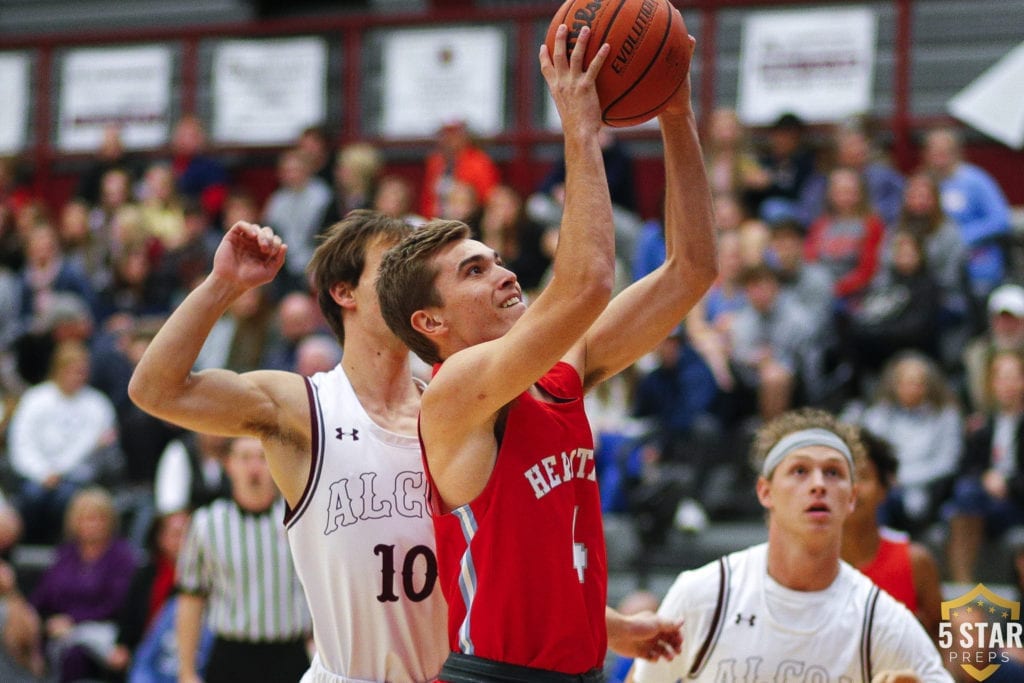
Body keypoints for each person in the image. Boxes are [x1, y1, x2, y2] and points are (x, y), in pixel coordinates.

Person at [376, 22, 712, 680]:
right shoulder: (452, 394)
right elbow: (586, 283)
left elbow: (691, 269)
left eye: (496, 259)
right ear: (430, 320)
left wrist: (676, 111)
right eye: (473, 271)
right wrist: (579, 129)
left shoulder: (559, 374)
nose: (502, 273)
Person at [129, 210, 450, 682]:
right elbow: (155, 390)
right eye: (393, 266)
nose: (411, 281)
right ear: (344, 292)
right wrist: (224, 284)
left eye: (415, 268)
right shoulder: (304, 407)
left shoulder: (448, 409)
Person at [628, 408, 952, 682]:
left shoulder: (879, 618)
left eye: (833, 472)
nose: (818, 485)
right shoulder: (705, 594)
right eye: (799, 470)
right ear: (765, 491)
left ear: (851, 497)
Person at [172, 436, 310, 683]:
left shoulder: (302, 521)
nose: (254, 468)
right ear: (229, 464)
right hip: (231, 655)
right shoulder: (207, 523)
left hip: (290, 653)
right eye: (245, 458)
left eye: (262, 458)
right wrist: (186, 670)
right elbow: (191, 599)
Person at [841, 427, 942, 639]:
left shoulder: (915, 562)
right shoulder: (805, 564)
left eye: (863, 476)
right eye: (840, 476)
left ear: (884, 488)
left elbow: (943, 637)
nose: (853, 489)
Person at [30, 486, 139, 683]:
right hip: (59, 630)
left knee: (75, 653)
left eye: (98, 518)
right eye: (86, 518)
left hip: (103, 631)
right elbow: (43, 596)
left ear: (110, 521)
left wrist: (73, 620)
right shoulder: (66, 554)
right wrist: (41, 622)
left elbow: (117, 604)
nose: (92, 525)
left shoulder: (122, 556)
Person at [944, 349, 1024, 584]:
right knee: (965, 495)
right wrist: (985, 479)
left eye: (1014, 377)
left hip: (1016, 502)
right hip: (984, 502)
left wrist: (1007, 484)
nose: (1007, 384)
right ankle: (963, 585)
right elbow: (966, 467)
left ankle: (964, 583)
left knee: (966, 499)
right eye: (1001, 377)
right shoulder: (983, 425)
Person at [921, 126, 1011, 299]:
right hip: (937, 270)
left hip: (977, 266)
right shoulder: (925, 182)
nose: (939, 157)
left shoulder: (974, 180)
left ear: (956, 152)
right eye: (934, 151)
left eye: (945, 151)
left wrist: (961, 237)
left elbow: (1001, 220)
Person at [262, 147, 333, 296]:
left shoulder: (322, 196)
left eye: (295, 169)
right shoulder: (277, 200)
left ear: (307, 169)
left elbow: (326, 235)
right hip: (284, 263)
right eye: (287, 170)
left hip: (315, 260)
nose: (291, 174)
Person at [420, 119, 500, 220]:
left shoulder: (479, 161)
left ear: (465, 137)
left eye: (455, 135)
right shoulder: (435, 161)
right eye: (445, 135)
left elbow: (487, 196)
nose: (449, 139)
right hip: (437, 220)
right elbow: (428, 198)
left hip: (468, 219)